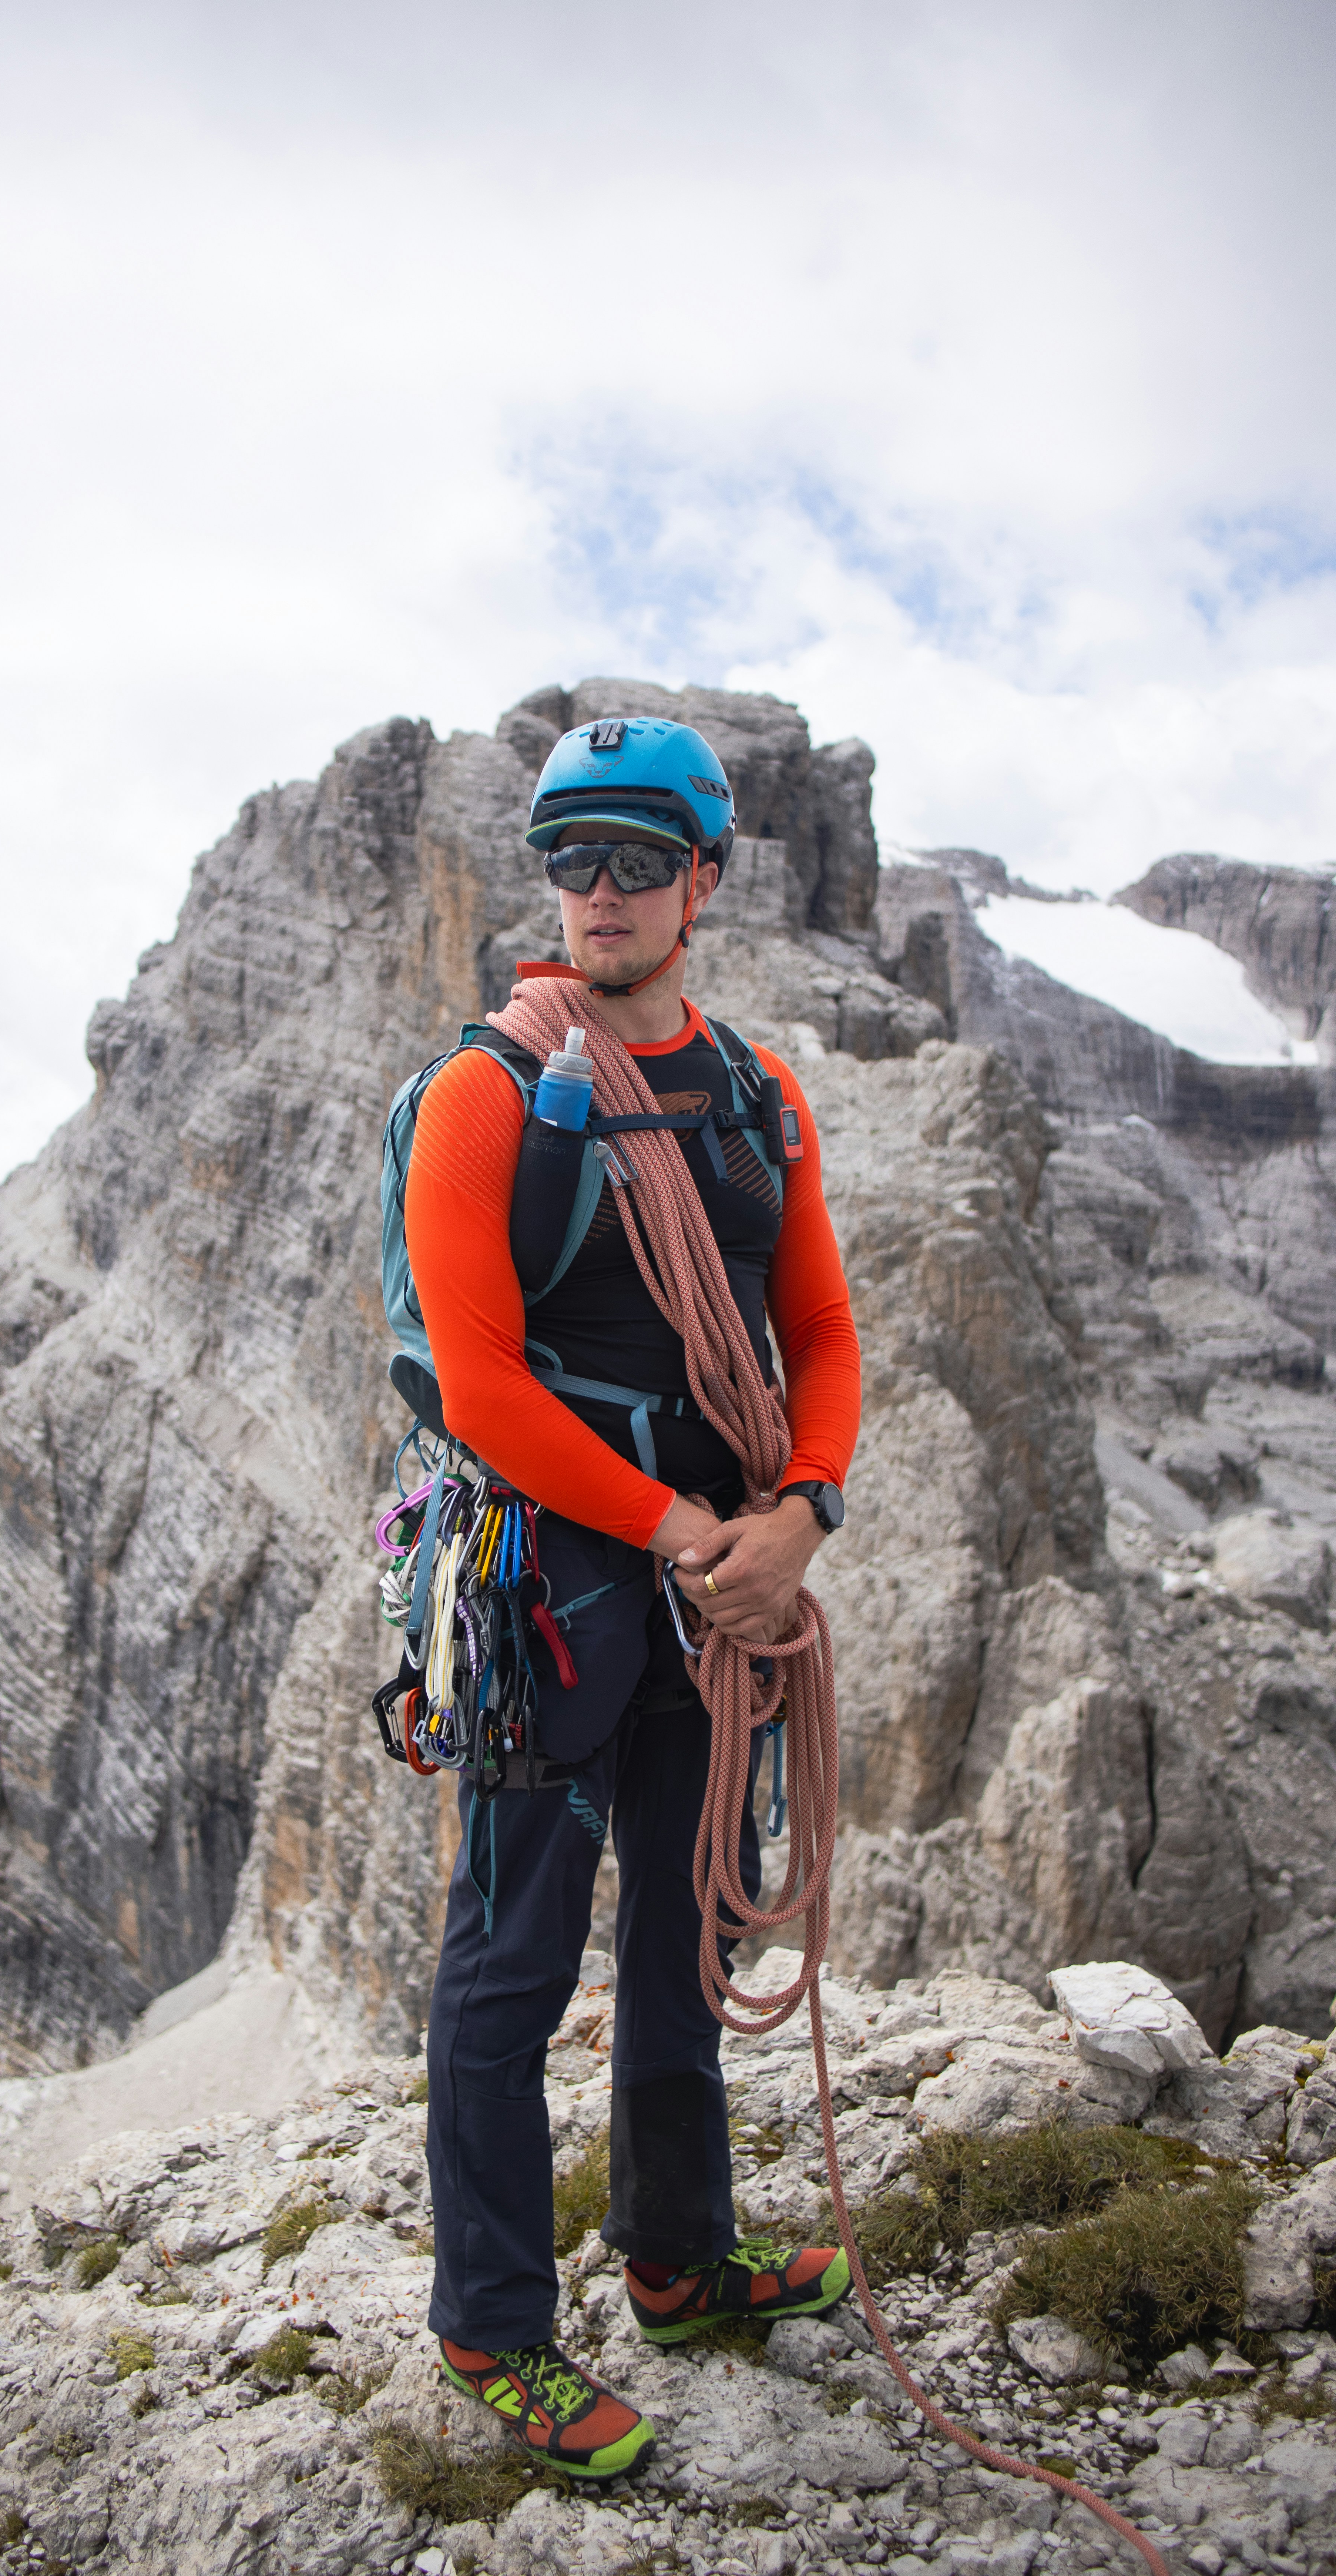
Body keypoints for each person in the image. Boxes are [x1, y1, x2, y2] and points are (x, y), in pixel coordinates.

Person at [402, 715, 863, 2480]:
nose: (593, 892)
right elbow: (480, 1385)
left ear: (702, 879)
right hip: (556, 1579)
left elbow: (813, 1331)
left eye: (630, 859)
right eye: (567, 860)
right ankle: (493, 2329)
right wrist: (693, 1533)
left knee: (688, 1929)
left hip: (721, 1571)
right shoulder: (486, 1091)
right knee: (507, 1971)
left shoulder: (760, 1095)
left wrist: (800, 1512)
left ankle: (675, 2258)